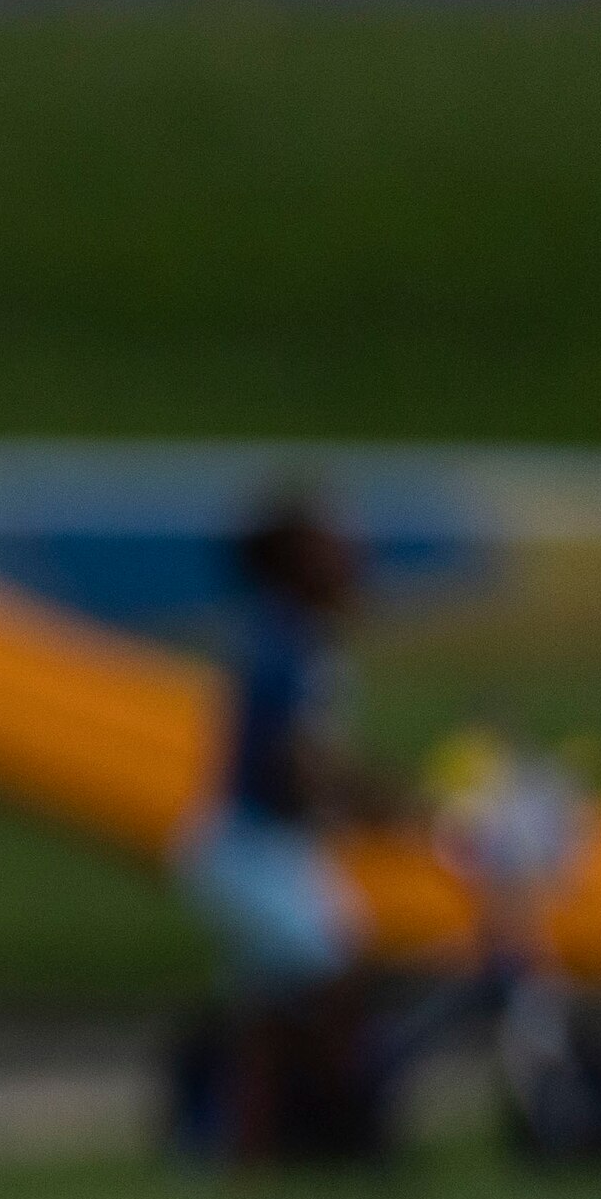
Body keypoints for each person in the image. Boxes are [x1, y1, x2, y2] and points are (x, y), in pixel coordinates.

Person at [172, 491, 394, 1158]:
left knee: (272, 1014)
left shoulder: (298, 640)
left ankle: (251, 1148)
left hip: (271, 848)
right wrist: (386, 805)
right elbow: (298, 765)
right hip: (254, 847)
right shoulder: (285, 645)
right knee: (336, 977)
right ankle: (338, 1127)